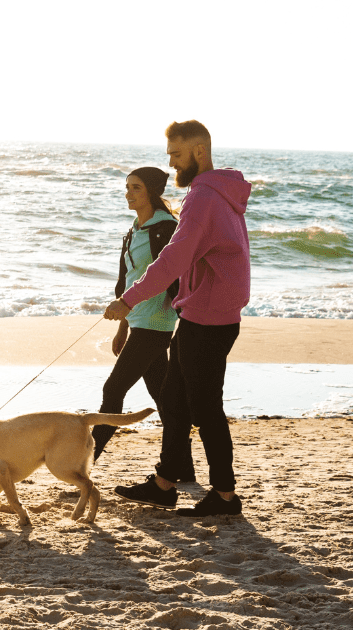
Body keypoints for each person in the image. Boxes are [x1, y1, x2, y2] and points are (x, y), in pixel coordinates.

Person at [103, 120, 252, 517]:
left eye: (177, 155)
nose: (171, 163)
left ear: (199, 152)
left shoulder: (205, 197)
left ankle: (224, 496)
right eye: (169, 154)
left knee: (205, 407)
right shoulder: (219, 192)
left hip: (210, 316)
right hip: (202, 311)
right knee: (173, 398)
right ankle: (165, 485)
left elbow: (173, 258)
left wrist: (128, 301)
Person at [91, 167, 180, 465]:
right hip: (138, 321)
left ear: (152, 192)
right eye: (127, 186)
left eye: (136, 188)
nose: (128, 193)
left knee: (112, 389)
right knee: (162, 397)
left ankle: (86, 461)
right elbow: (126, 282)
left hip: (157, 323)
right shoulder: (134, 230)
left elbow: (171, 276)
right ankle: (183, 465)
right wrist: (122, 329)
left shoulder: (166, 229)